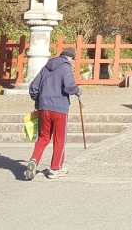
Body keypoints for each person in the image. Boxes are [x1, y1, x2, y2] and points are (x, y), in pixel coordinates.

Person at [26, 46, 81, 180]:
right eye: (73, 59)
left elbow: (33, 87)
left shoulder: (46, 67)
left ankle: (34, 159)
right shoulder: (65, 67)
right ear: (71, 58)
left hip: (44, 108)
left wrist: (39, 100)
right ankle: (55, 168)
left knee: (43, 137)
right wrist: (78, 90)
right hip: (60, 108)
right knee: (59, 139)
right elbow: (69, 87)